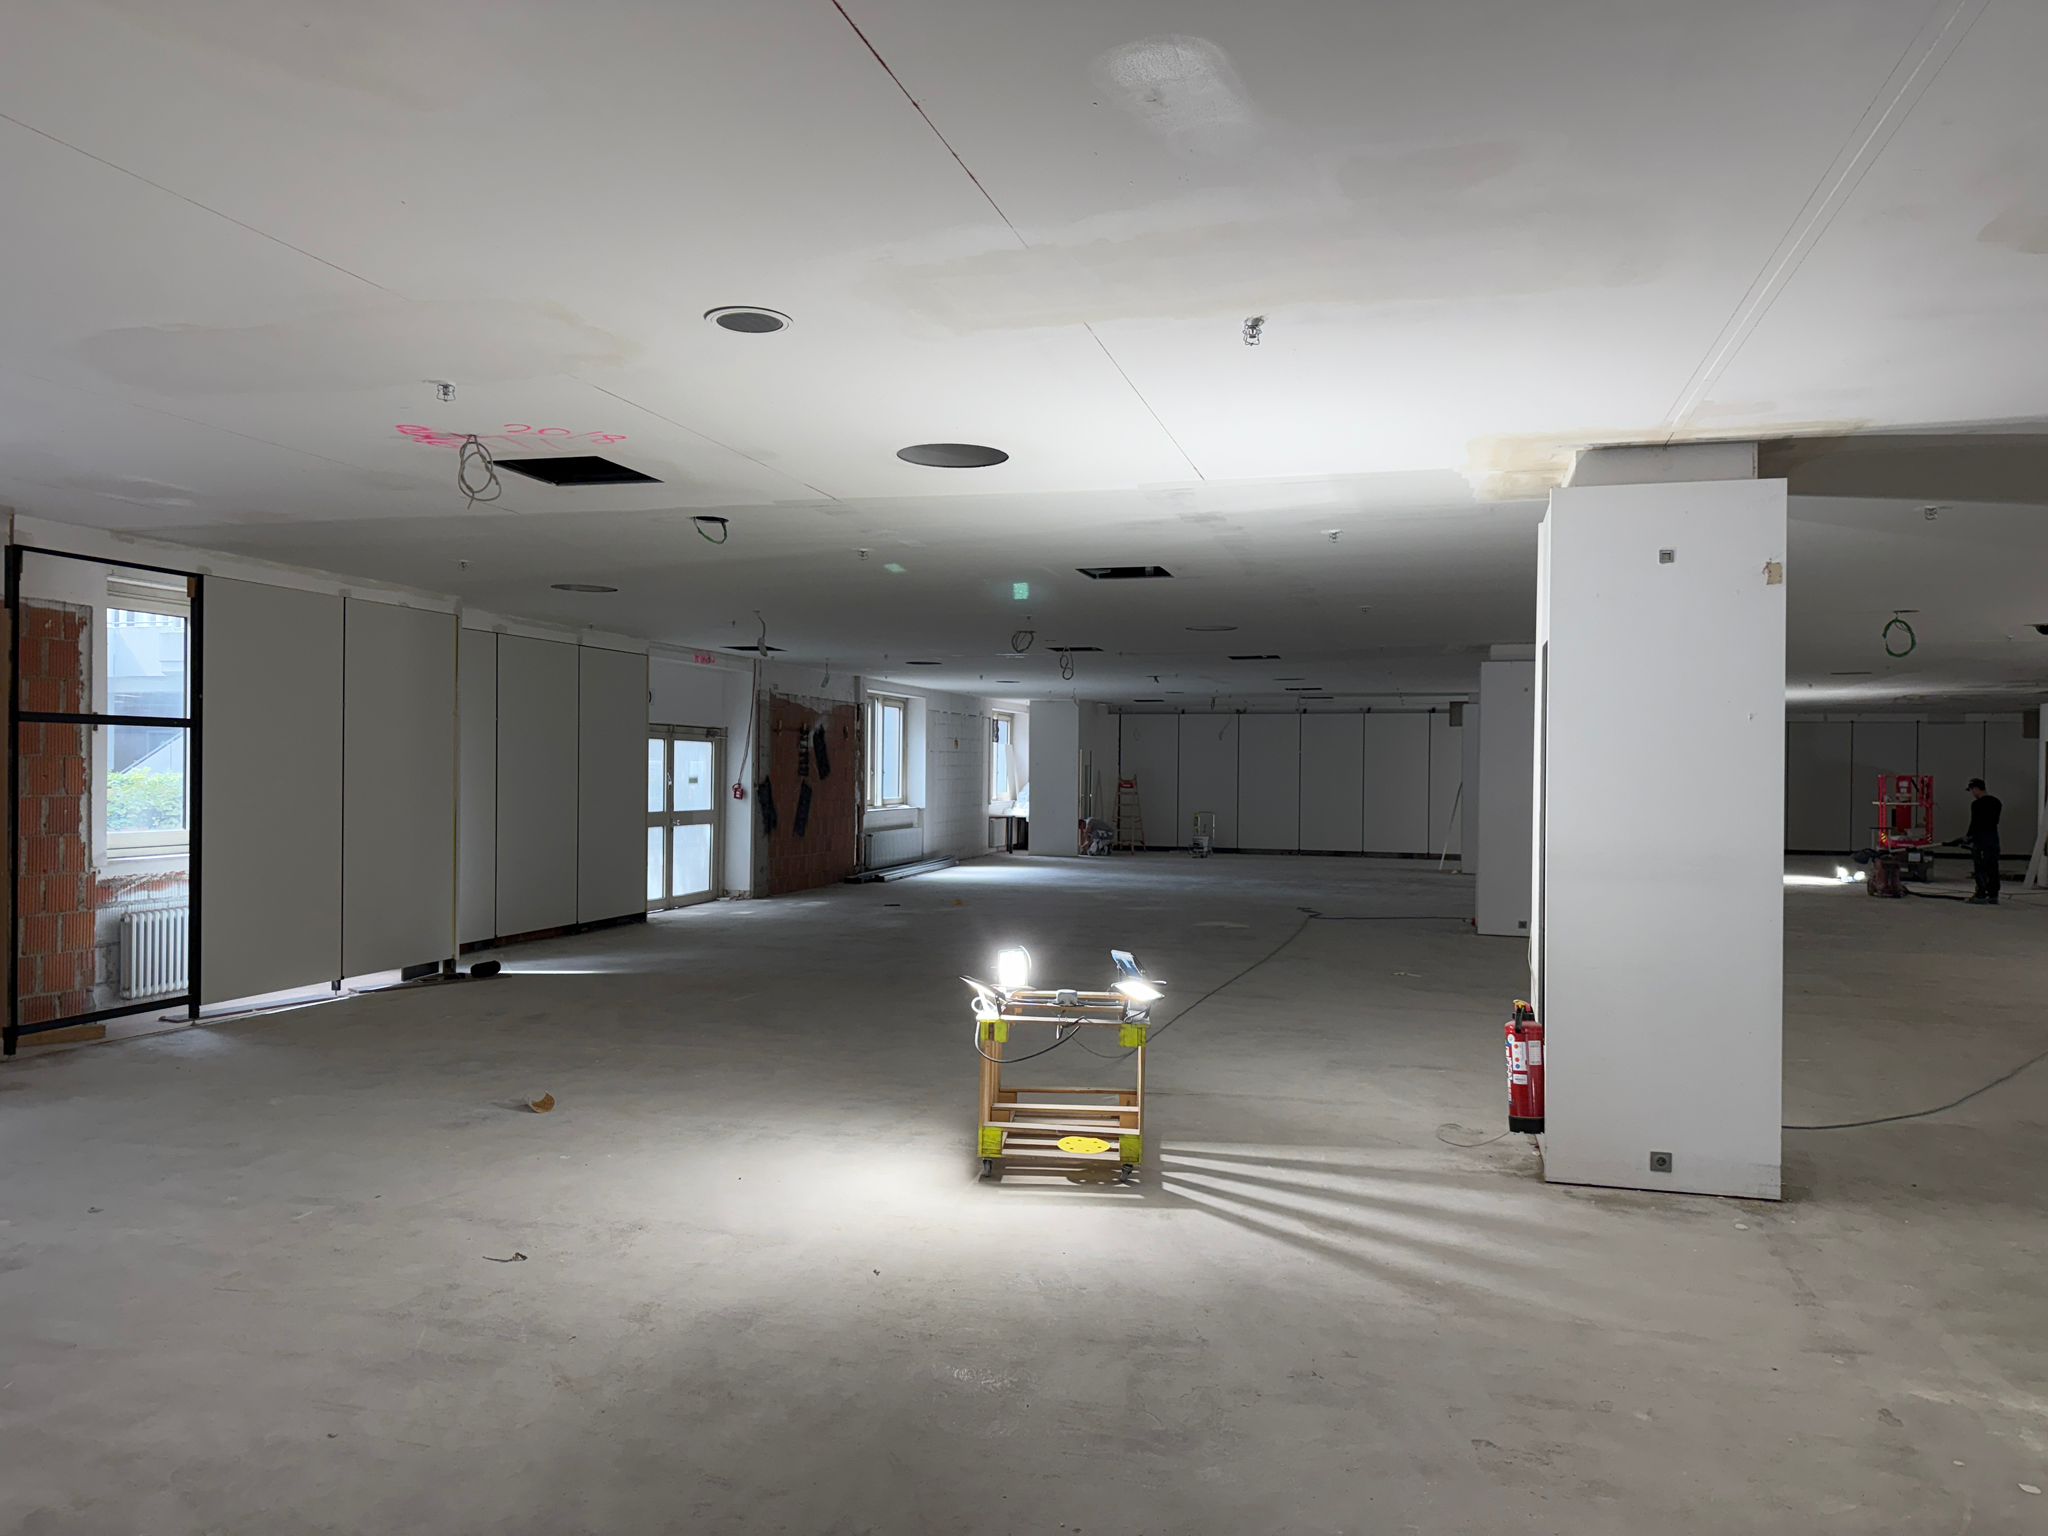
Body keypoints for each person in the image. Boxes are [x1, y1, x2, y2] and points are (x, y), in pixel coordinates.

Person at [1964, 778, 2002, 904]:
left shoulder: (1976, 805)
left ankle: (1981, 894)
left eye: (1972, 790)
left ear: (1976, 789)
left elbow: (1975, 823)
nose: (1972, 793)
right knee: (1993, 866)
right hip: (1993, 837)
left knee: (1980, 867)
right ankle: (1993, 894)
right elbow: (1995, 821)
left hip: (1980, 839)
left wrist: (1968, 837)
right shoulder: (1997, 802)